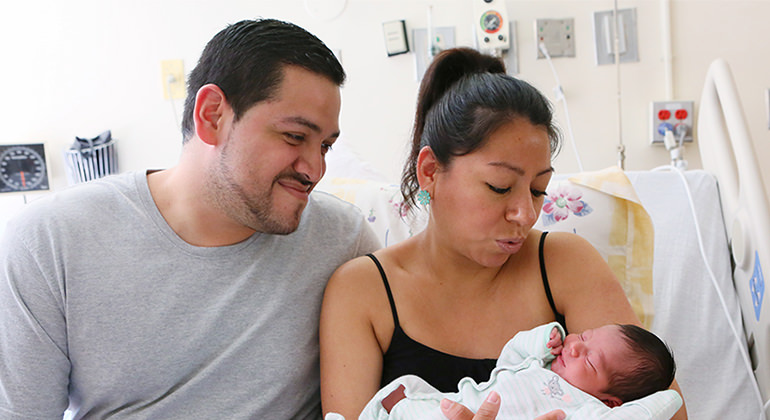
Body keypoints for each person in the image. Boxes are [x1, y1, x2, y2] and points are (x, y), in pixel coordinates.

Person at [0, 19, 387, 419]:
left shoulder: (343, 240)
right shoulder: (49, 241)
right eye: (294, 136)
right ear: (212, 115)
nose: (315, 169)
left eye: (325, 145)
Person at [318, 47, 688, 420]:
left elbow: (664, 412)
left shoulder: (565, 263)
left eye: (539, 190)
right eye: (499, 186)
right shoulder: (363, 292)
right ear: (430, 171)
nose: (525, 214)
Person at [328, 322, 680, 420]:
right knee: (401, 392)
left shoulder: (586, 410)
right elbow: (508, 359)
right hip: (454, 406)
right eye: (584, 337)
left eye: (588, 360)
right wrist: (541, 339)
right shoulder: (538, 365)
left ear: (612, 401)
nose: (573, 346)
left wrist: (665, 399)